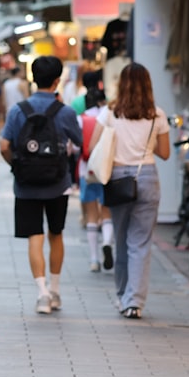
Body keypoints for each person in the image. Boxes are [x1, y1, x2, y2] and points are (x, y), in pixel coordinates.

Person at [0, 56, 82, 315]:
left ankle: (42, 293)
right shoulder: (65, 112)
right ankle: (56, 290)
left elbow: (3, 146)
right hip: (58, 183)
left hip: (26, 185)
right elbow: (79, 142)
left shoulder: (18, 110)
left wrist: (16, 166)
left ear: (33, 78)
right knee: (55, 234)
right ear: (57, 80)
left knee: (34, 237)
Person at [88, 62, 170, 320]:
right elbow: (165, 153)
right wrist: (145, 142)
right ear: (148, 85)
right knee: (140, 243)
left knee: (121, 239)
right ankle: (134, 302)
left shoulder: (110, 112)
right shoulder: (157, 114)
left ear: (120, 84)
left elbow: (92, 146)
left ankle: (123, 296)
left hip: (118, 179)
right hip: (146, 177)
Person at [78, 88, 114, 272]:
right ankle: (107, 241)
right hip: (109, 170)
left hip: (88, 170)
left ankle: (93, 259)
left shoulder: (82, 118)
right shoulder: (110, 115)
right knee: (106, 212)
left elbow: (77, 146)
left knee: (92, 214)